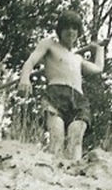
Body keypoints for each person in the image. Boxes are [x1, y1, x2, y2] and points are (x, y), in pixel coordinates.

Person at [17, 10, 105, 161]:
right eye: (67, 27)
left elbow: (98, 69)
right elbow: (31, 61)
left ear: (78, 32)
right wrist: (24, 78)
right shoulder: (49, 45)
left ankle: (74, 177)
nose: (70, 31)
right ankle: (54, 176)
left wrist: (99, 49)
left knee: (76, 139)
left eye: (74, 28)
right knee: (56, 137)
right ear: (60, 30)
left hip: (78, 99)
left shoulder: (78, 58)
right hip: (55, 94)